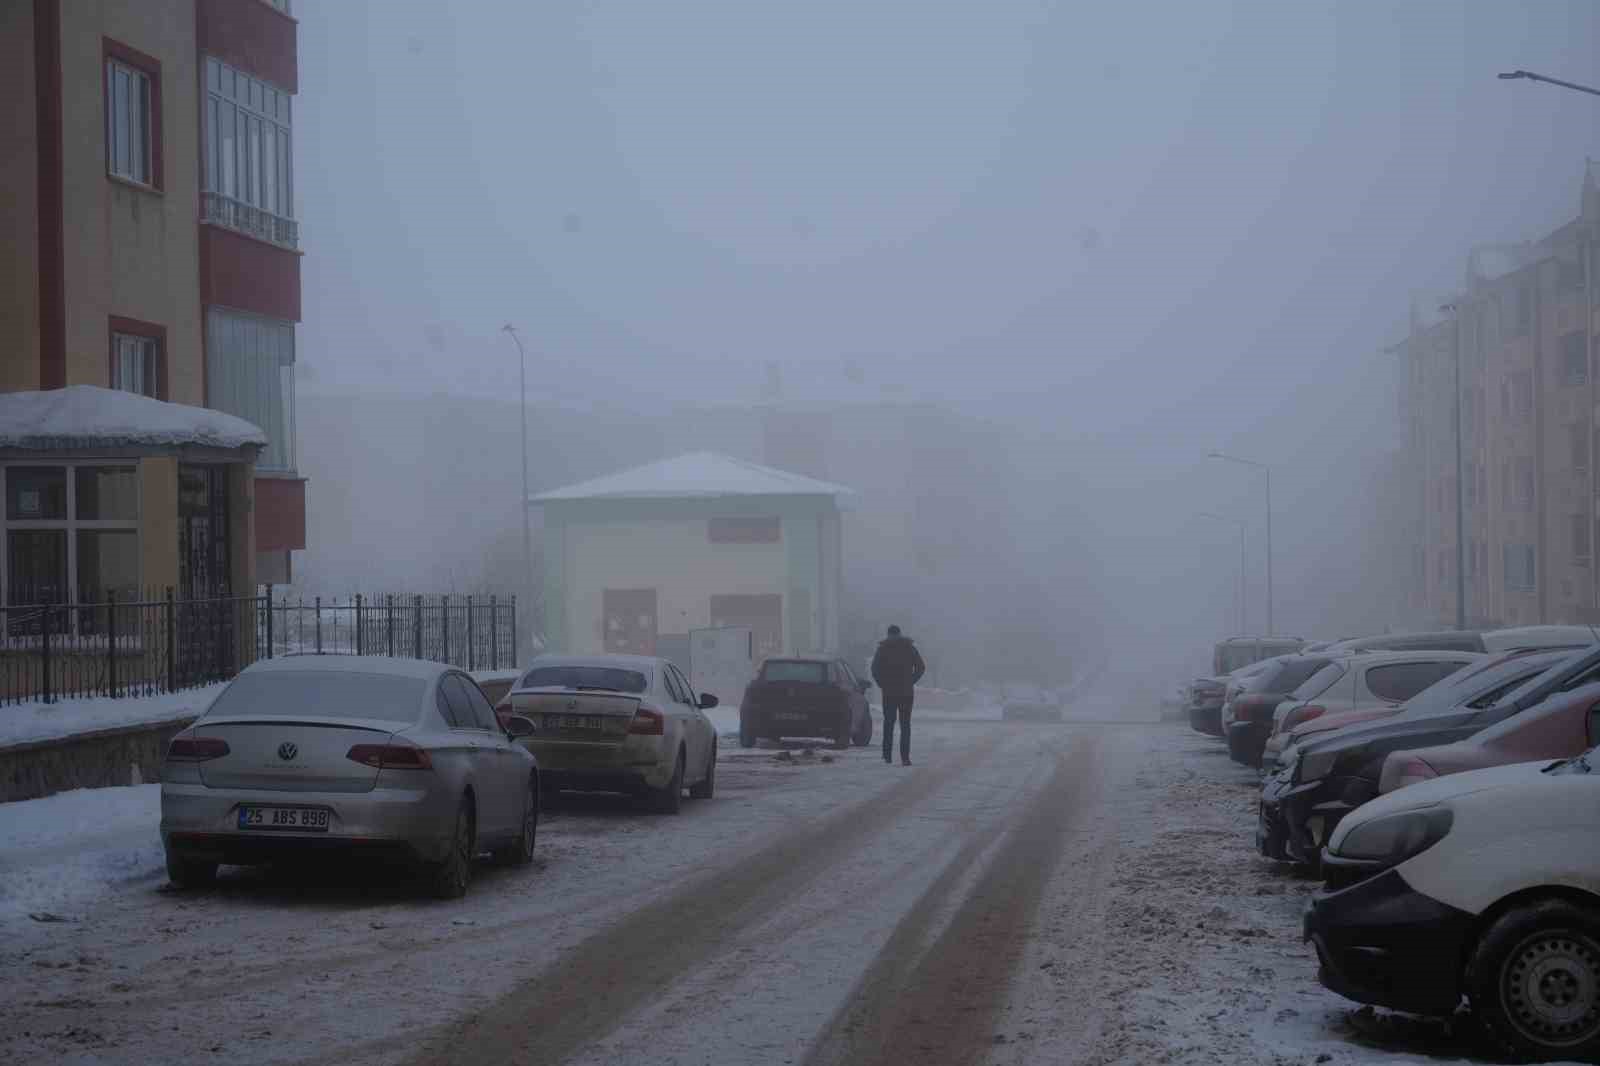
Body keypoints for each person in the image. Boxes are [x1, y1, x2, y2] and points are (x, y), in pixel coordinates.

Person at [871, 624, 926, 766]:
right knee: (905, 725)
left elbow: (874, 669)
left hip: (889, 692)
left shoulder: (883, 649)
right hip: (906, 692)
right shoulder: (909, 648)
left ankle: (887, 756)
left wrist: (882, 683)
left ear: (888, 634)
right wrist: (911, 680)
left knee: (888, 723)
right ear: (900, 634)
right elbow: (921, 667)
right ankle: (905, 757)